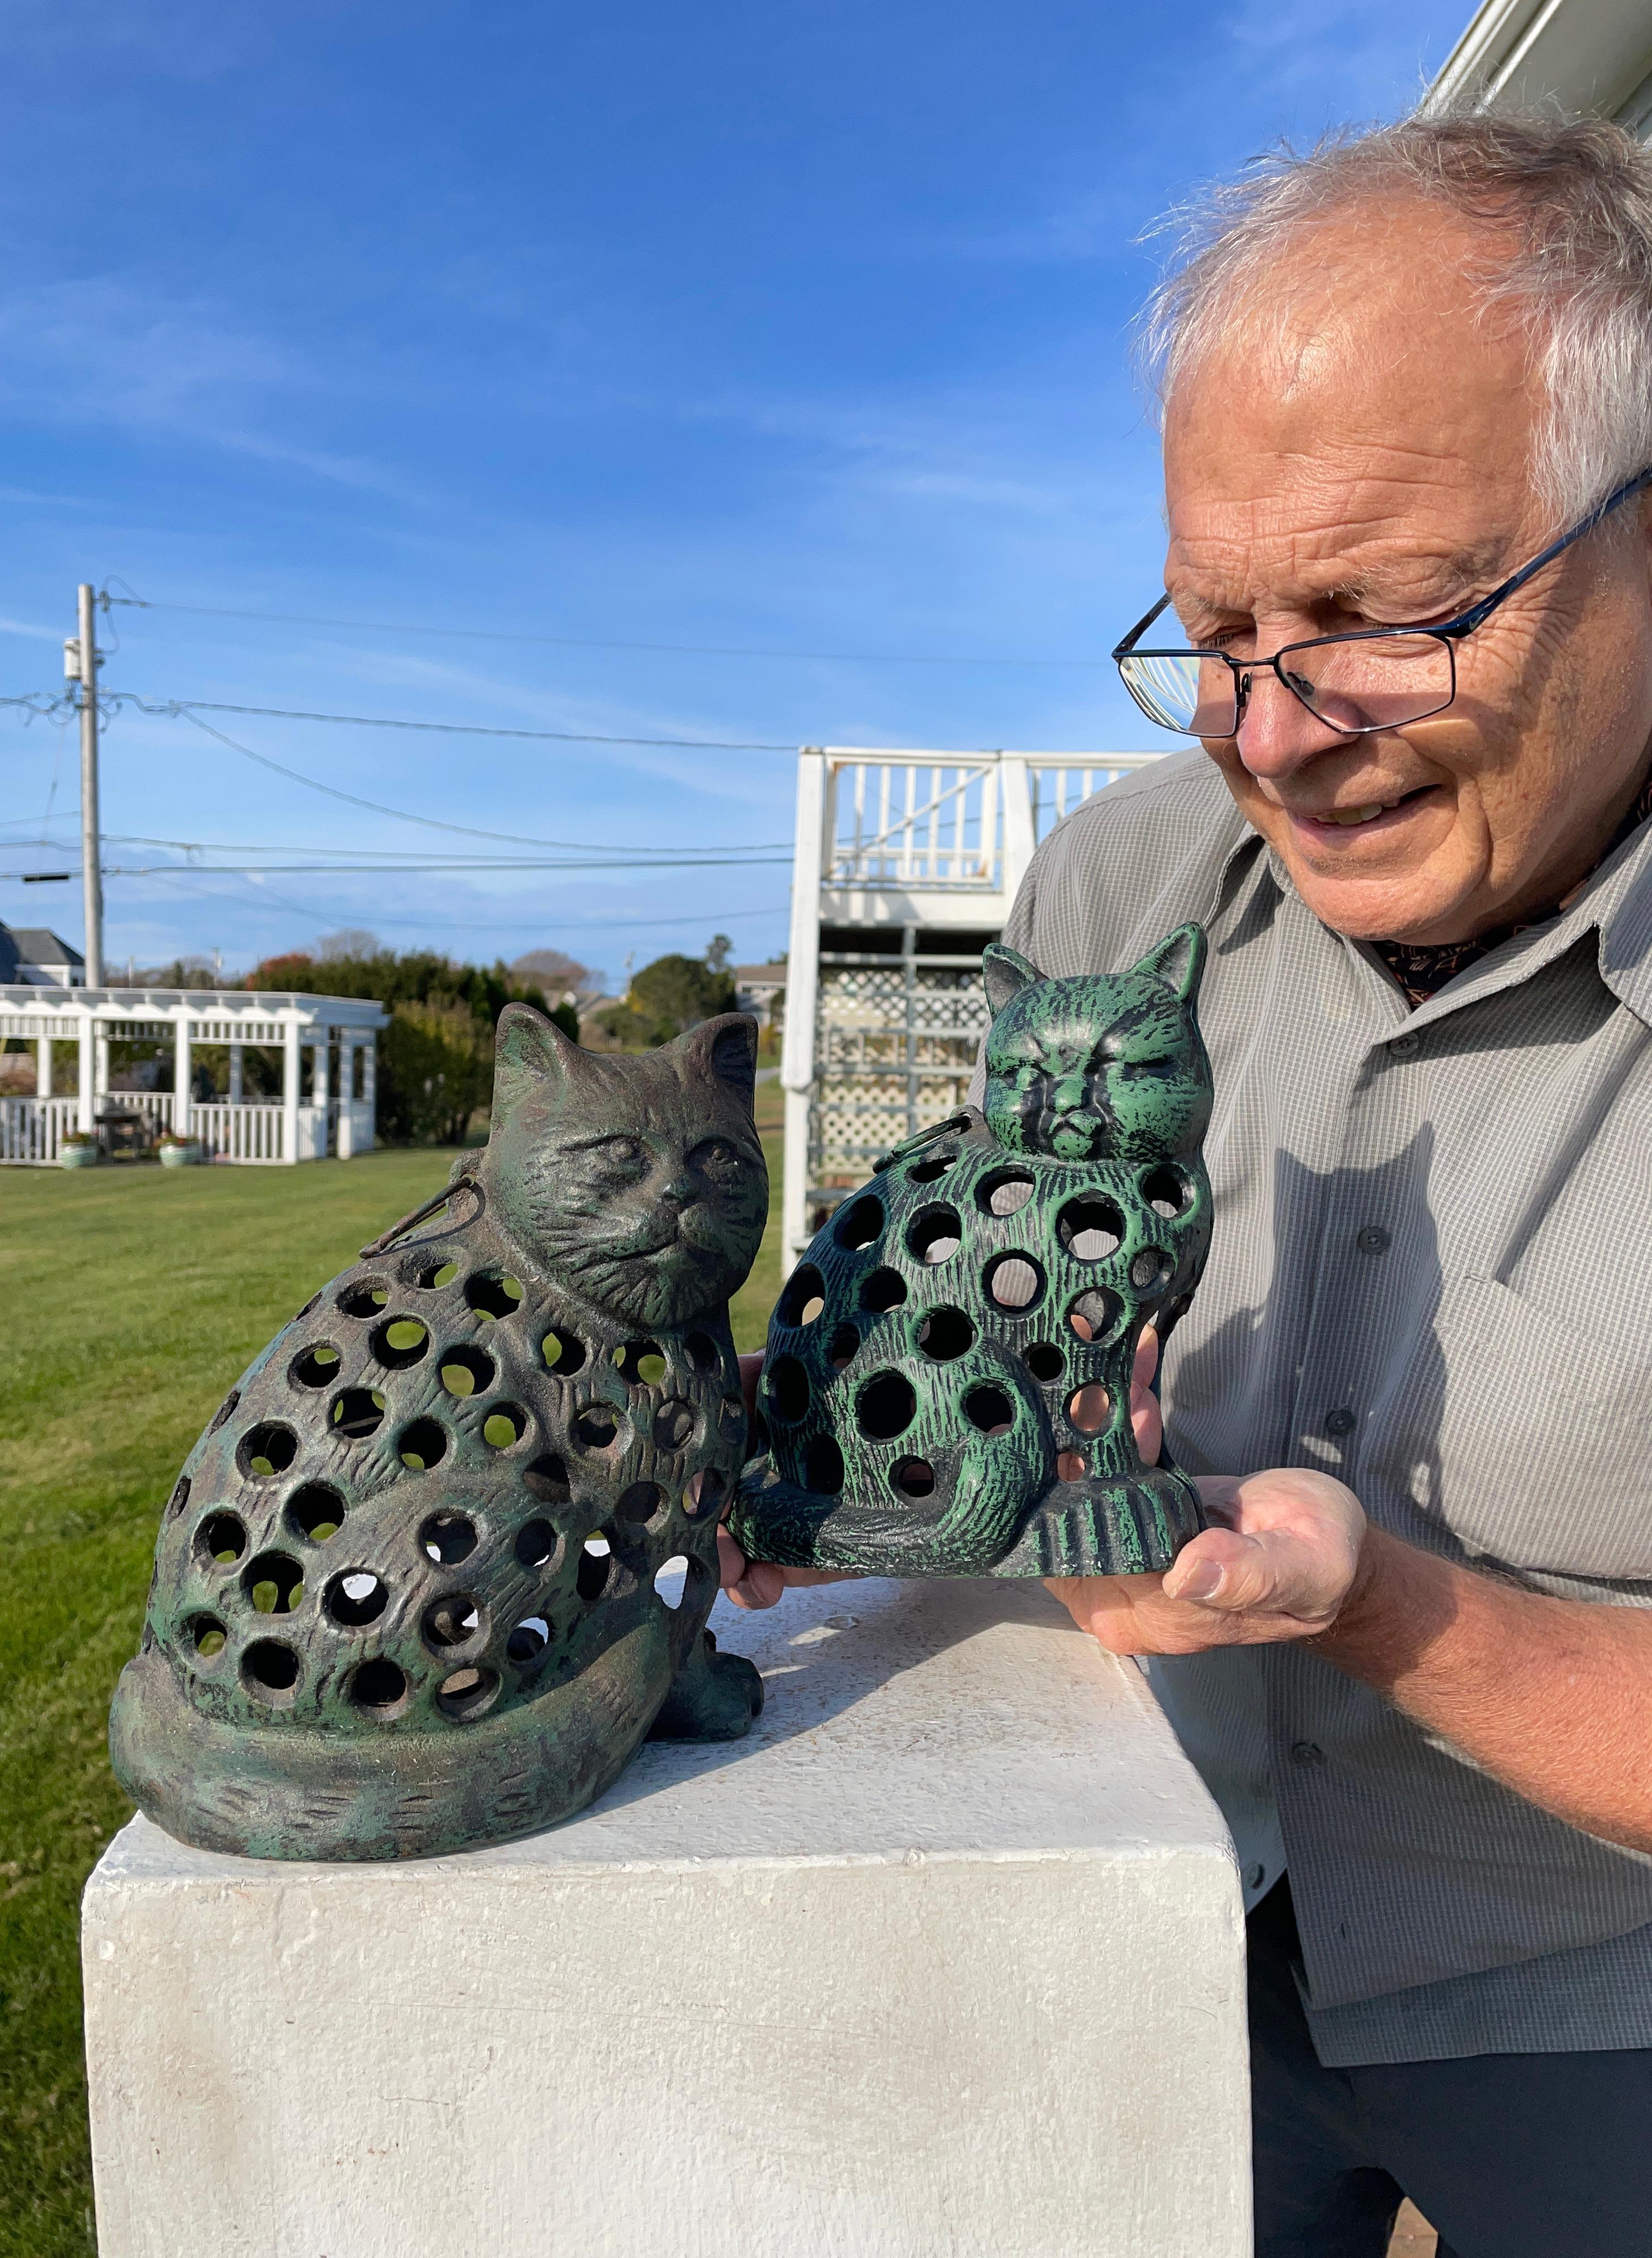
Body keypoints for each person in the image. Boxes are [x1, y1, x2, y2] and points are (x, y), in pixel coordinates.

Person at [719, 111, 1652, 2257]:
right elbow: (982, 1345)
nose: (1272, 733)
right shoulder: (1119, 887)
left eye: (1378, 615)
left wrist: (1392, 1611)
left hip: (1604, 1991)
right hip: (1165, 1902)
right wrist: (823, 1491)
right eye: (1215, 625)